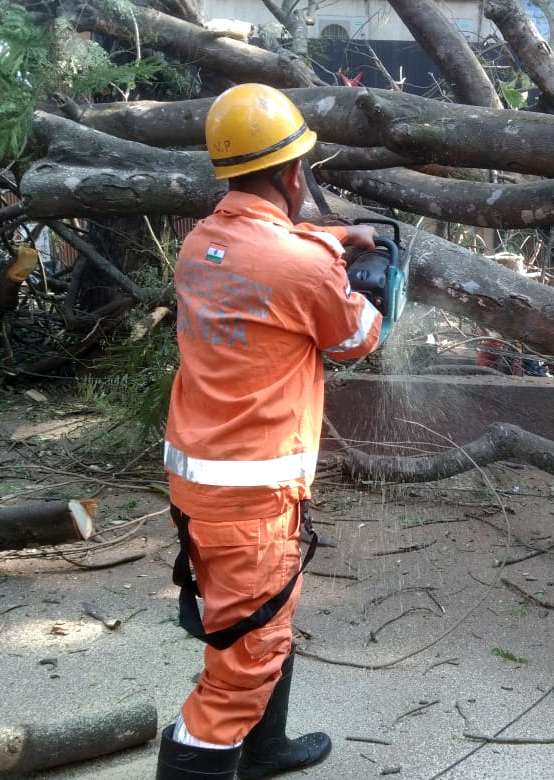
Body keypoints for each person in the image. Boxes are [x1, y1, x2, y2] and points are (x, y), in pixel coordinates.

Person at [156, 83, 384, 779]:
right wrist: (367, 285)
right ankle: (211, 753)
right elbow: (357, 339)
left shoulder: (202, 243)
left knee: (264, 623)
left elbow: (276, 250)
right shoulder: (301, 266)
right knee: (242, 667)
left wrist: (339, 236)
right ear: (293, 174)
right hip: (252, 503)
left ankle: (266, 750)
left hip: (204, 487)